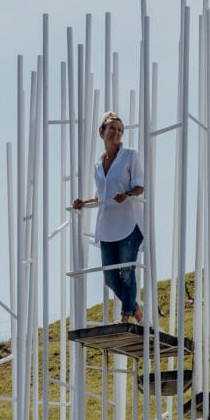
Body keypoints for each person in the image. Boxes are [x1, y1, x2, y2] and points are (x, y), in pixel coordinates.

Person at [72, 112, 145, 323]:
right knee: (110, 278)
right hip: (107, 226)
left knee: (127, 271)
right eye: (112, 128)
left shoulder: (131, 155)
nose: (117, 133)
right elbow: (101, 194)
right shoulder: (98, 163)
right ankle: (136, 308)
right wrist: (84, 202)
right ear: (102, 131)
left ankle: (126, 317)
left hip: (129, 223)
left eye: (120, 129)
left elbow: (140, 186)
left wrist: (128, 195)